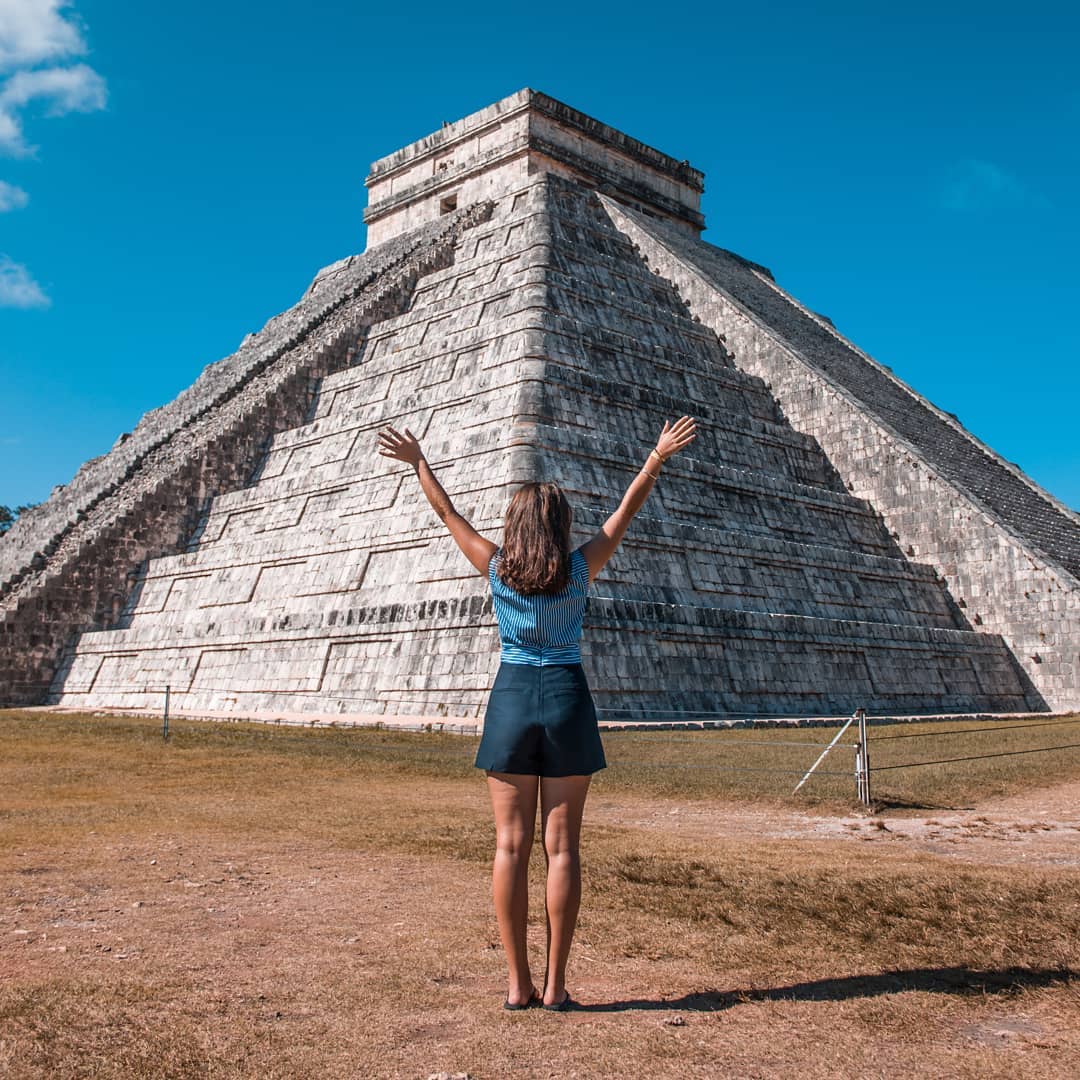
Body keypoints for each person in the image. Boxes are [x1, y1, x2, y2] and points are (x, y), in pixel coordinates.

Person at [376, 416, 698, 1011]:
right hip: (569, 698)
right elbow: (624, 513)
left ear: (515, 525)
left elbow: (449, 516)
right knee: (564, 848)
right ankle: (554, 987)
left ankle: (516, 984)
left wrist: (419, 461)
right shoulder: (580, 568)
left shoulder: (495, 568)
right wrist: (655, 456)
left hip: (513, 697)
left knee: (509, 846)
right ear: (560, 526)